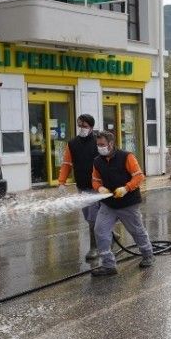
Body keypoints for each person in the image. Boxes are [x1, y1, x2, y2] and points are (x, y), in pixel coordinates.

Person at [90, 130, 154, 276]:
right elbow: (95, 179)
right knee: (100, 230)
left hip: (128, 203)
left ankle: (147, 254)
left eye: (102, 144)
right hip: (108, 204)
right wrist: (99, 188)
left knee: (136, 230)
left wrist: (126, 188)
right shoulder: (97, 161)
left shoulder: (126, 157)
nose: (99, 147)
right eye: (98, 144)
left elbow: (139, 176)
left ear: (111, 144)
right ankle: (108, 265)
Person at [58, 114, 101, 260]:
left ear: (91, 127)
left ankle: (94, 248)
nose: (82, 129)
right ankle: (112, 235)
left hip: (97, 186)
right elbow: (67, 164)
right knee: (88, 217)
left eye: (85, 126)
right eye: (80, 126)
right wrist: (61, 182)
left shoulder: (98, 141)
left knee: (93, 218)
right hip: (82, 186)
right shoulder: (72, 144)